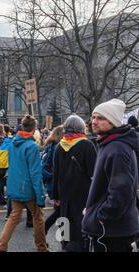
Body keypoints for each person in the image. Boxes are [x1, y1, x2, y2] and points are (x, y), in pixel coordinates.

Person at [82, 99, 139, 252]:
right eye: (93, 117)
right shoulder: (109, 144)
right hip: (112, 229)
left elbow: (121, 192)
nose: (93, 121)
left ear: (113, 121)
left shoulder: (117, 149)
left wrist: (100, 216)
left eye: (100, 118)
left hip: (113, 231)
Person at [0, 115, 47, 252]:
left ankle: (2, 245)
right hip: (28, 188)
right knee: (38, 218)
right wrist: (40, 195)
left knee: (14, 216)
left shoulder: (13, 143)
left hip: (15, 186)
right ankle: (41, 247)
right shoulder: (32, 146)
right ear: (34, 129)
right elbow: (35, 173)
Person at [53, 115, 97, 252]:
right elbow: (93, 173)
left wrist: (56, 196)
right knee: (80, 225)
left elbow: (56, 174)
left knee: (65, 221)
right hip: (83, 193)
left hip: (64, 192)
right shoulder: (87, 145)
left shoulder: (59, 146)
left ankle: (65, 246)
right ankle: (80, 247)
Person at [42, 125, 64, 236]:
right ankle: (44, 228)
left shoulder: (50, 144)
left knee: (60, 211)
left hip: (51, 182)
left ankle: (65, 239)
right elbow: (58, 168)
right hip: (56, 183)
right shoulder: (57, 147)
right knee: (61, 212)